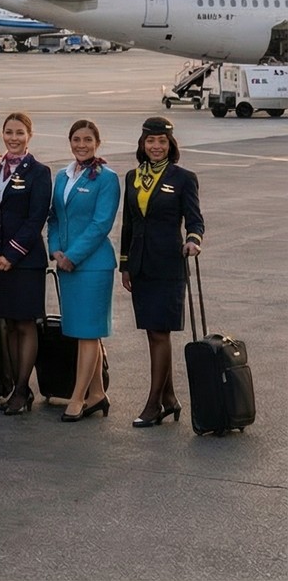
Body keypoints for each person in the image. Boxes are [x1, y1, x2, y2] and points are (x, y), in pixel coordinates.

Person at [120, 116, 202, 428]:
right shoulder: (132, 177)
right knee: (152, 332)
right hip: (140, 266)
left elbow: (195, 220)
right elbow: (128, 224)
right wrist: (125, 265)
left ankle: (153, 404)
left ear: (170, 145)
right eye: (150, 141)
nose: (156, 147)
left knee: (159, 332)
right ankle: (169, 399)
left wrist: (194, 241)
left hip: (168, 264)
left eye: (161, 141)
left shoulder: (183, 178)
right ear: (142, 144)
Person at [0, 112, 52, 416]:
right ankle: (13, 387)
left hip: (25, 260)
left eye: (20, 133)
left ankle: (23, 389)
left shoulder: (39, 172)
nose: (13, 137)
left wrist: (10, 253)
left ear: (29, 136)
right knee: (7, 322)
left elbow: (36, 218)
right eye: (9, 132)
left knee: (25, 323)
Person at [50, 118, 119, 422]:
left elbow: (101, 224)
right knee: (81, 332)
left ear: (97, 143)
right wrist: (55, 249)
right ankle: (97, 394)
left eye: (88, 140)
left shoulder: (107, 178)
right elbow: (54, 217)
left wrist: (73, 256)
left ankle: (77, 397)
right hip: (66, 263)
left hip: (92, 266)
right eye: (77, 139)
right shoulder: (62, 177)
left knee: (88, 333)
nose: (82, 145)